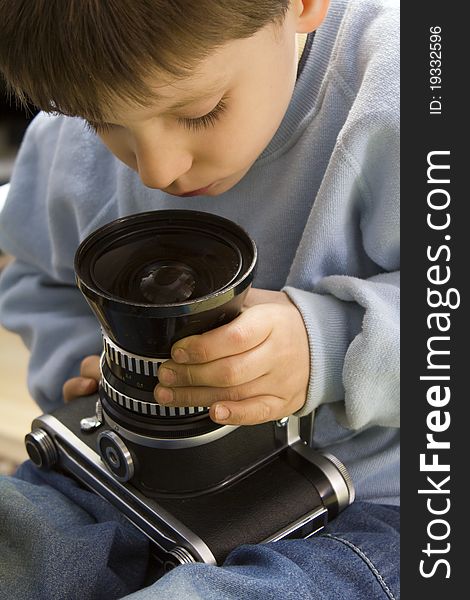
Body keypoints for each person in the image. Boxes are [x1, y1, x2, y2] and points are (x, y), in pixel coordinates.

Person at [0, 0, 399, 598]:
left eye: (200, 111)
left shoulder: (407, 89)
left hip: (368, 511)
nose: (157, 170)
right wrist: (101, 368)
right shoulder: (78, 103)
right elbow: (39, 275)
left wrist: (332, 348)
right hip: (123, 476)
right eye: (100, 123)